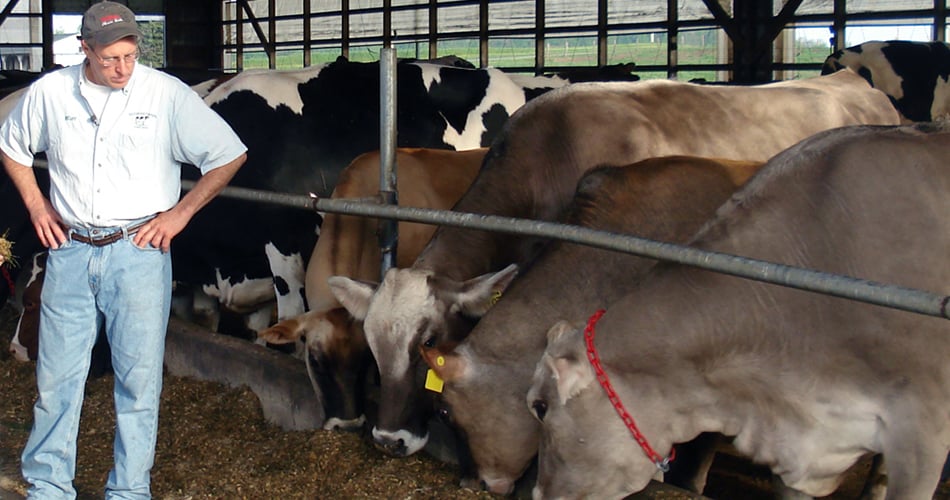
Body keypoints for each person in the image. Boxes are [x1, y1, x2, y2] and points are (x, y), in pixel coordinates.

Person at [0, 1, 247, 498]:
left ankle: (130, 489)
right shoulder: (50, 92)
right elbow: (12, 148)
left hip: (137, 252)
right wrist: (37, 206)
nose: (122, 68)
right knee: (56, 381)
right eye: (109, 58)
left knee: (138, 383)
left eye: (130, 56)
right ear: (83, 49)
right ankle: (49, 485)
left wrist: (179, 214)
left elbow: (229, 154)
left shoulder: (164, 94)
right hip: (70, 248)